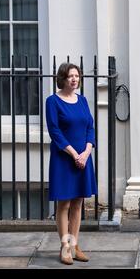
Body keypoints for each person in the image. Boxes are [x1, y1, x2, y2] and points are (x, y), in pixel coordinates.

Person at [46, 63, 97, 264]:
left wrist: (86, 151)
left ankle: (75, 245)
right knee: (64, 203)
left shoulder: (83, 100)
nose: (74, 79)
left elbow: (90, 127)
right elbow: (54, 131)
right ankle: (65, 246)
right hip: (63, 158)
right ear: (62, 79)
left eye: (77, 76)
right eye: (70, 76)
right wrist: (74, 153)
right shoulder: (53, 101)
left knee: (78, 202)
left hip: (83, 157)